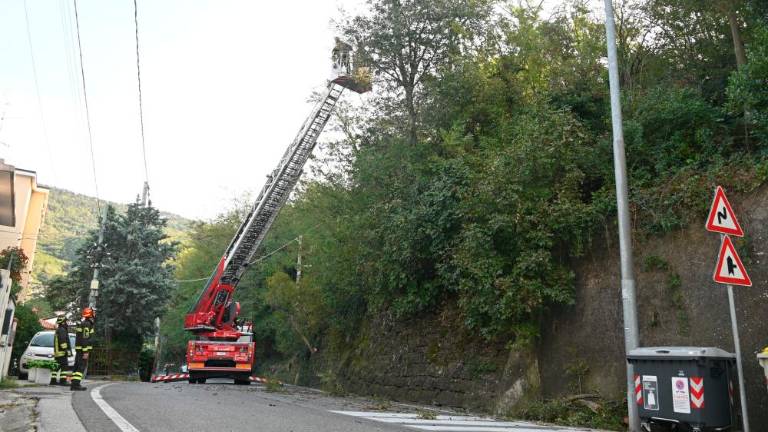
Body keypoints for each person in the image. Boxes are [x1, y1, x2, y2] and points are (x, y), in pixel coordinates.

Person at [70, 307, 95, 391]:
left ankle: (74, 383)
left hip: (79, 350)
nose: (94, 314)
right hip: (82, 350)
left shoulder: (83, 323)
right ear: (90, 314)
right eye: (93, 313)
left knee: (77, 367)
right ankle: (76, 385)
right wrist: (85, 351)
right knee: (81, 367)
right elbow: (85, 338)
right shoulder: (87, 324)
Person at [52, 314, 72, 386]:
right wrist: (66, 350)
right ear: (63, 322)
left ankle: (53, 380)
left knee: (57, 366)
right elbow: (63, 341)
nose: (67, 323)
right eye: (66, 321)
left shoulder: (59, 329)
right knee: (64, 366)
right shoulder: (62, 330)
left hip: (58, 352)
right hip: (62, 352)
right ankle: (63, 381)